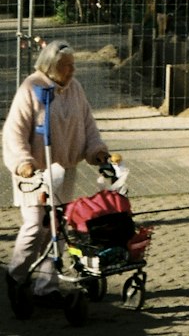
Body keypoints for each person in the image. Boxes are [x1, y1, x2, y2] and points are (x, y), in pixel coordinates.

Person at [2, 40, 109, 311]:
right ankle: (16, 275)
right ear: (51, 67)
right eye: (66, 66)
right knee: (35, 226)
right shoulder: (31, 88)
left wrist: (96, 150)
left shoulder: (74, 89)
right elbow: (13, 133)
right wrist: (23, 163)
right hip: (34, 173)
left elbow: (88, 124)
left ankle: (45, 287)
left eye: (73, 66)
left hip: (63, 171)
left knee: (58, 229)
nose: (72, 71)